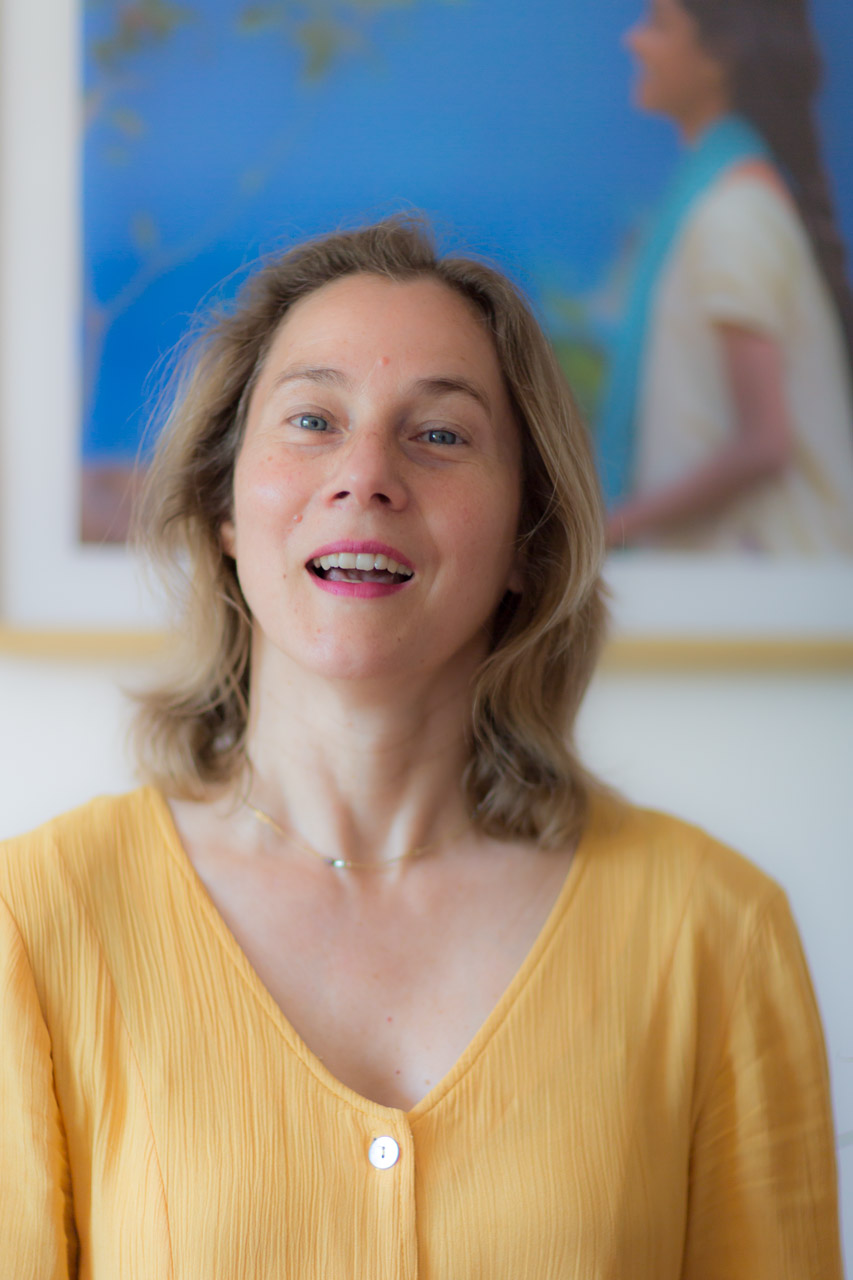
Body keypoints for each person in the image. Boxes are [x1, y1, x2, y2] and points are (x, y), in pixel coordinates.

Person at [0, 215, 843, 1276]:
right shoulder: (34, 920)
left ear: (528, 537)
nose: (365, 475)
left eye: (440, 435)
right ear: (224, 506)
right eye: (312, 419)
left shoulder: (715, 929)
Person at [599, 0, 853, 553]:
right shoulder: (714, 202)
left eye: (658, 25)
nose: (633, 41)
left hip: (764, 586)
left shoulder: (733, 213)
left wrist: (606, 531)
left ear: (718, 57)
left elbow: (764, 443)